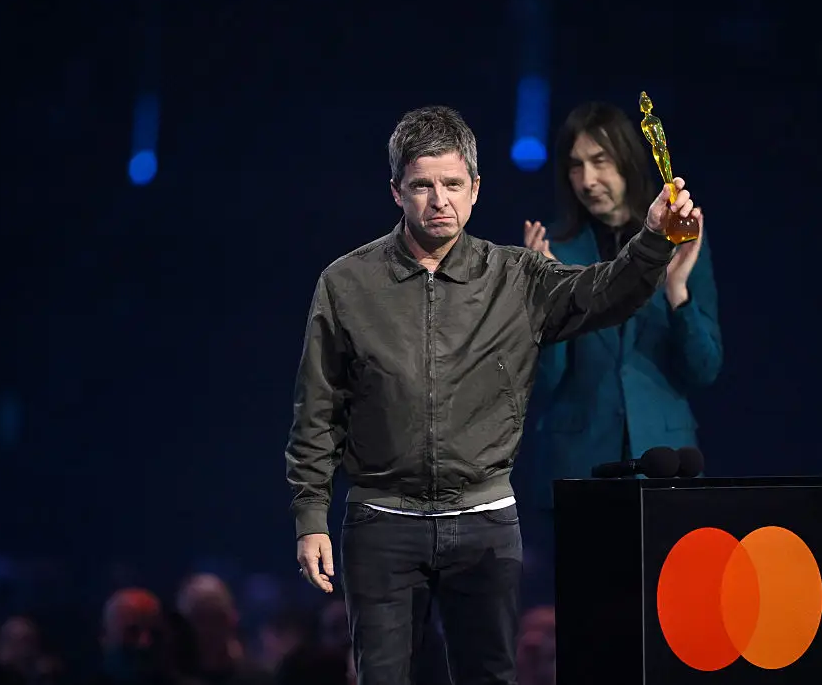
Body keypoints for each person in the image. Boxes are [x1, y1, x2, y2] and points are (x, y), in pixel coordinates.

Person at [284, 104, 702, 685]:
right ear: (396, 192)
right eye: (422, 186)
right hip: (382, 522)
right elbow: (317, 408)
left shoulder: (517, 277)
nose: (439, 200)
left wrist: (653, 237)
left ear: (476, 189)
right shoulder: (346, 283)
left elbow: (608, 293)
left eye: (453, 184)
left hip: (483, 524)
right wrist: (311, 516)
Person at [515, 101, 720, 606]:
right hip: (582, 467)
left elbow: (705, 368)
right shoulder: (556, 253)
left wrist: (676, 290)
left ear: (628, 160)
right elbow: (544, 383)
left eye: (600, 160)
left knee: (668, 618)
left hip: (665, 461)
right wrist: (549, 298)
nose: (588, 179)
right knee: (594, 619)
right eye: (576, 165)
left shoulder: (680, 236)